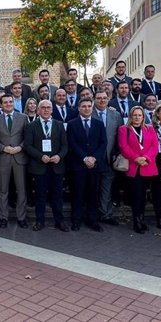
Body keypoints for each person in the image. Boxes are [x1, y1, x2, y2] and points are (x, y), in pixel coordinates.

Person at [24, 99, 69, 232]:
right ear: (38, 110)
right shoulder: (31, 126)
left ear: (52, 110)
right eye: (43, 107)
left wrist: (59, 156)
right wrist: (40, 156)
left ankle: (59, 221)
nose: (45, 110)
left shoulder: (59, 125)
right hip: (39, 166)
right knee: (40, 195)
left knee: (57, 196)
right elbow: (27, 145)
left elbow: (65, 145)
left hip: (56, 166)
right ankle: (40, 221)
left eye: (48, 107)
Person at [67, 98, 107, 232]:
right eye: (83, 106)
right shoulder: (72, 124)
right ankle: (76, 220)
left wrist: (94, 158)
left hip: (95, 166)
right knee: (77, 194)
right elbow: (72, 144)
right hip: (78, 165)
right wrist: (84, 158)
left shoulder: (99, 124)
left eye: (89, 106)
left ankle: (93, 220)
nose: (87, 108)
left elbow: (103, 143)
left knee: (93, 194)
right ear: (79, 108)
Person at [118, 106, 159, 234]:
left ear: (143, 116)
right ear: (131, 116)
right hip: (133, 166)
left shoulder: (150, 128)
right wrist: (136, 158)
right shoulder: (124, 129)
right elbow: (123, 146)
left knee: (143, 196)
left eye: (139, 115)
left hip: (147, 166)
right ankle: (136, 221)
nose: (137, 117)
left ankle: (142, 220)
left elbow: (155, 146)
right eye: (135, 115)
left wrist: (146, 158)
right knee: (136, 196)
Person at [0, 95, 29, 229]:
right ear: (1, 105)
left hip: (19, 157)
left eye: (10, 102)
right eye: (5, 102)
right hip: (3, 158)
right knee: (3, 190)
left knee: (21, 190)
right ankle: (3, 217)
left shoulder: (23, 117)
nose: (8, 104)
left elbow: (28, 137)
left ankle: (22, 217)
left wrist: (20, 147)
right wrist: (3, 148)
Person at [92, 91, 122, 225]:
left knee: (107, 188)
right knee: (93, 188)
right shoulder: (87, 112)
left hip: (110, 157)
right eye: (98, 98)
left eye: (104, 98)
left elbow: (120, 136)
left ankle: (106, 214)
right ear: (94, 99)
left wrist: (117, 154)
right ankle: (93, 215)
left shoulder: (115, 115)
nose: (102, 100)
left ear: (109, 99)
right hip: (92, 158)